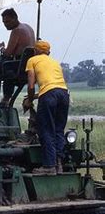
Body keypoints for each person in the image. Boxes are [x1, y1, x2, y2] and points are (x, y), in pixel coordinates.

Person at [23, 40, 69, 175]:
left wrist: (29, 100)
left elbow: (31, 86)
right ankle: (59, 165)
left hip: (49, 96)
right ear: (48, 52)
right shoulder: (55, 63)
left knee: (46, 130)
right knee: (59, 130)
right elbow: (54, 87)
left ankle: (49, 166)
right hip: (64, 94)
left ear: (35, 51)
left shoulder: (32, 60)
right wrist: (37, 96)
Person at [0, 8, 35, 106]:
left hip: (19, 66)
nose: (6, 24)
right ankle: (6, 98)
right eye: (4, 22)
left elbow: (7, 53)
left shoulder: (17, 30)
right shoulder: (28, 27)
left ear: (15, 18)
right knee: (6, 66)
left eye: (8, 21)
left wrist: (1, 48)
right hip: (26, 65)